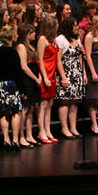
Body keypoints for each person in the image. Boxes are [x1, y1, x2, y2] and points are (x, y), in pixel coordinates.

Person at [0, 26, 24, 152]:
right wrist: (23, 89)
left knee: (4, 112)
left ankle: (6, 139)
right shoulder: (13, 52)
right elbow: (18, 71)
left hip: (1, 84)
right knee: (15, 112)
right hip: (12, 84)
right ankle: (15, 140)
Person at [55, 17, 86, 139]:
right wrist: (63, 77)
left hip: (76, 72)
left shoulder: (77, 38)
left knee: (74, 102)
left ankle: (73, 127)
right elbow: (58, 59)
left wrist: (83, 74)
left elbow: (80, 57)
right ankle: (64, 128)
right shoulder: (61, 39)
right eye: (74, 25)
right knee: (65, 101)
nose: (77, 27)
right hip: (66, 72)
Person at [15, 24, 42, 148]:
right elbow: (23, 66)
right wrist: (36, 78)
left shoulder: (31, 46)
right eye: (32, 32)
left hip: (33, 79)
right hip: (26, 80)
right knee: (24, 110)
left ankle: (29, 135)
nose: (34, 34)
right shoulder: (21, 46)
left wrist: (39, 76)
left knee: (31, 109)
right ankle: (21, 136)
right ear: (27, 33)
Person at [37, 16, 60, 144]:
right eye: (55, 24)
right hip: (45, 72)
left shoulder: (54, 40)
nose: (58, 26)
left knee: (50, 104)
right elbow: (40, 59)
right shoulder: (42, 39)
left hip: (52, 72)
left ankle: (48, 130)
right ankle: (41, 131)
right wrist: (45, 77)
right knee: (44, 104)